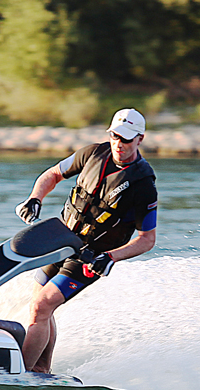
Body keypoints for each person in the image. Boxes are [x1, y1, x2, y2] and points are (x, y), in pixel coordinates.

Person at [13, 108, 158, 372]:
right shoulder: (92, 153)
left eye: (126, 139)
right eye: (115, 136)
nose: (119, 144)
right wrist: (35, 198)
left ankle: (19, 374)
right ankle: (40, 370)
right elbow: (52, 174)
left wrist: (110, 258)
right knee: (40, 306)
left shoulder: (143, 184)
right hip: (61, 241)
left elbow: (147, 239)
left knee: (41, 306)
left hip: (91, 258)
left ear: (140, 139)